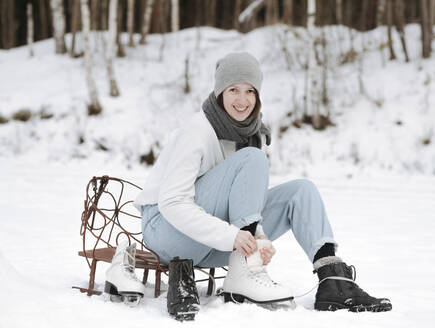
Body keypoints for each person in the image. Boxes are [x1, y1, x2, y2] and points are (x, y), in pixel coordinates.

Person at [133, 52, 392, 316]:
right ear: (220, 91)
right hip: (166, 234)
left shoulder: (250, 135)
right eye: (233, 89)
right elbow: (172, 202)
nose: (242, 100)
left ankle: (334, 282)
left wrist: (258, 239)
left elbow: (244, 204)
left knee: (301, 191)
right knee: (252, 159)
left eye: (250, 91)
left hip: (210, 242)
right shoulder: (197, 132)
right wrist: (235, 238)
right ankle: (246, 268)